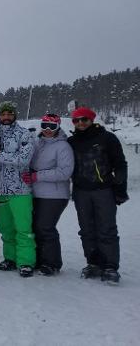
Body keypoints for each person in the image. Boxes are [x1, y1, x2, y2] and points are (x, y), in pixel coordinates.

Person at [67, 107, 128, 284]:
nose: (80, 123)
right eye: (76, 120)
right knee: (86, 229)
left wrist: (120, 188)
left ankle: (110, 266)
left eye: (84, 119)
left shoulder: (107, 138)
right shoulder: (71, 141)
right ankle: (93, 262)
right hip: (81, 191)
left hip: (104, 190)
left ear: (91, 119)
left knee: (106, 228)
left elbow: (120, 164)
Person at [0, 101, 36, 277]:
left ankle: (25, 261)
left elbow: (23, 159)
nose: (6, 117)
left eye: (10, 113)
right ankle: (10, 258)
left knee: (23, 228)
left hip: (20, 190)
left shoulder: (24, 134)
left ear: (14, 115)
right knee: (5, 227)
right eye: (3, 114)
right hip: (0, 191)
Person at [25, 114, 74, 276]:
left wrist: (37, 176)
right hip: (36, 192)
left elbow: (65, 172)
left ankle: (52, 263)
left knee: (45, 227)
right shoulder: (38, 143)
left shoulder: (63, 146)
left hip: (55, 195)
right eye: (44, 125)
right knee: (35, 227)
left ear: (58, 127)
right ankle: (40, 259)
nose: (47, 129)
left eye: (52, 127)